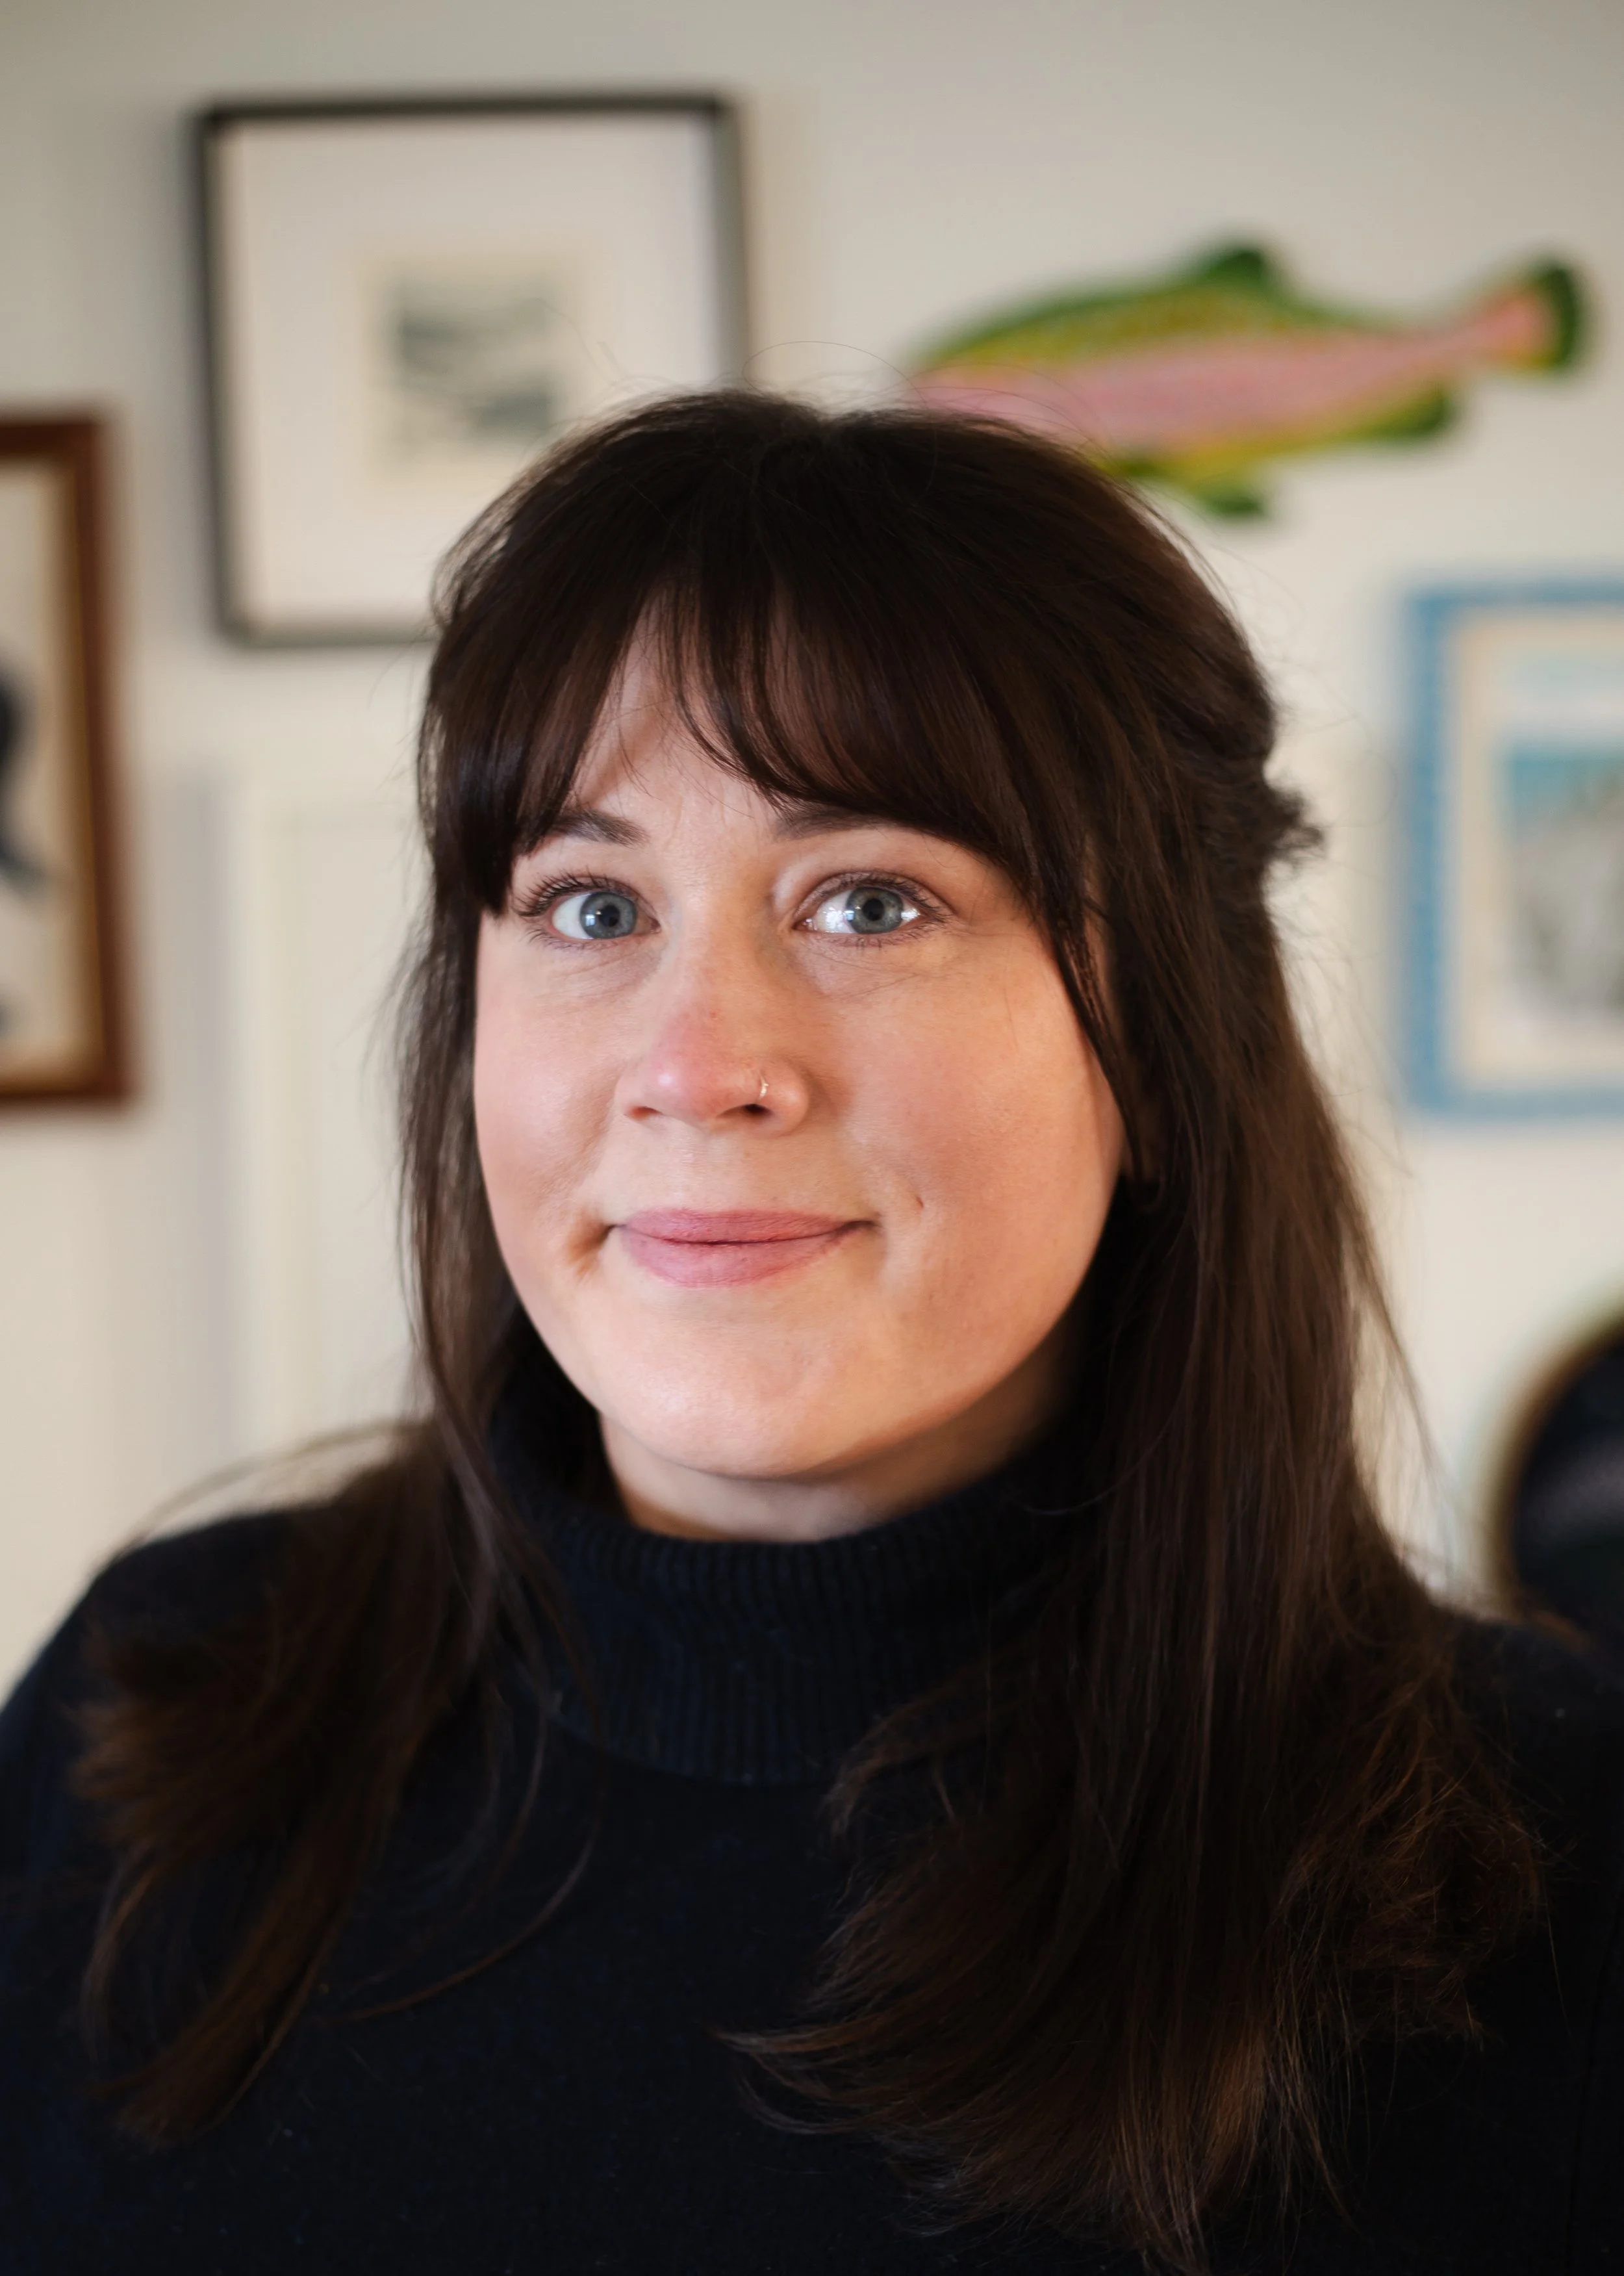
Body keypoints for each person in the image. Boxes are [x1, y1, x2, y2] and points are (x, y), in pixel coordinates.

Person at [2, 392, 1621, 2276]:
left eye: (869, 900)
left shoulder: (1556, 1857)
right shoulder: (154, 1706)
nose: (699, 1064)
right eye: (590, 903)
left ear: (1166, 1056)